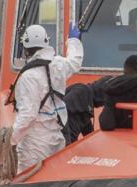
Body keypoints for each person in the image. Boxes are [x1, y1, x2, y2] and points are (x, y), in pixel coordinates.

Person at [9, 23, 84, 173]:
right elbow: (75, 61)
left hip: (34, 144)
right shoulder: (58, 64)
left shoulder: (28, 77)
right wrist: (74, 41)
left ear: (25, 48)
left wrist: (8, 140)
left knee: (28, 182)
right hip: (56, 137)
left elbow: (27, 115)